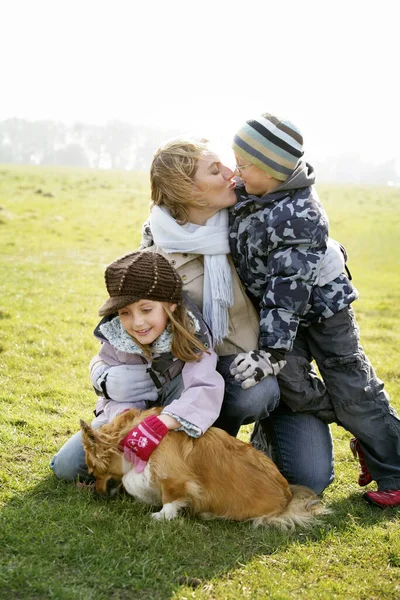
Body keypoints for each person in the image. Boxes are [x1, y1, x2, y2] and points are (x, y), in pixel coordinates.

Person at [134, 137, 350, 494]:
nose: (231, 173)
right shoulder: (159, 244)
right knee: (254, 394)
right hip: (206, 373)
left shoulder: (251, 219)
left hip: (278, 362)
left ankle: (262, 435)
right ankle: (208, 447)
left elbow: (299, 238)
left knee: (311, 480)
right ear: (188, 191)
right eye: (215, 170)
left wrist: (330, 253)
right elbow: (134, 323)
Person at [229, 112, 400, 508]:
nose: (234, 171)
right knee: (292, 385)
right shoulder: (251, 193)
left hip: (323, 313)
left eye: (243, 164)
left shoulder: (299, 215)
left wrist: (270, 353)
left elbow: (287, 292)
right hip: (281, 318)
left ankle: (392, 466)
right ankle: (364, 429)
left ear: (272, 169)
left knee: (353, 386)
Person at [50, 251, 225, 480]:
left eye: (146, 309)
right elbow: (113, 399)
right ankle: (128, 471)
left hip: (173, 420)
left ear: (171, 304)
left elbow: (204, 387)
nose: (137, 323)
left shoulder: (192, 333)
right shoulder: (118, 337)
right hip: (126, 421)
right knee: (66, 467)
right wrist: (124, 423)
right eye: (125, 313)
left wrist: (159, 424)